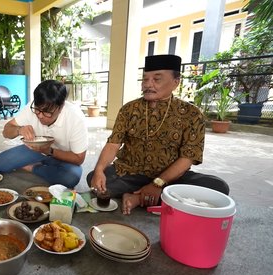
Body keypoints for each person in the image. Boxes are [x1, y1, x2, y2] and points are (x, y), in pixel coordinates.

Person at [87, 54, 229, 215]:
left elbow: (188, 157)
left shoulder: (191, 114)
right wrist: (99, 170)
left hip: (171, 177)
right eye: (145, 79)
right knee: (94, 178)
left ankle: (138, 198)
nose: (148, 85)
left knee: (218, 187)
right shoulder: (129, 109)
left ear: (176, 82)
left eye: (157, 79)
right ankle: (154, 199)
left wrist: (157, 183)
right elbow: (113, 143)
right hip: (131, 172)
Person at [0, 80, 88, 188]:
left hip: (62, 156)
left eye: (47, 112)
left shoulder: (75, 118)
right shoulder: (31, 108)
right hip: (35, 149)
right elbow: (6, 131)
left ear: (60, 107)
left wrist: (49, 151)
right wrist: (19, 129)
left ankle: (33, 167)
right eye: (37, 109)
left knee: (71, 177)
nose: (40, 115)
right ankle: (43, 166)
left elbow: (79, 158)